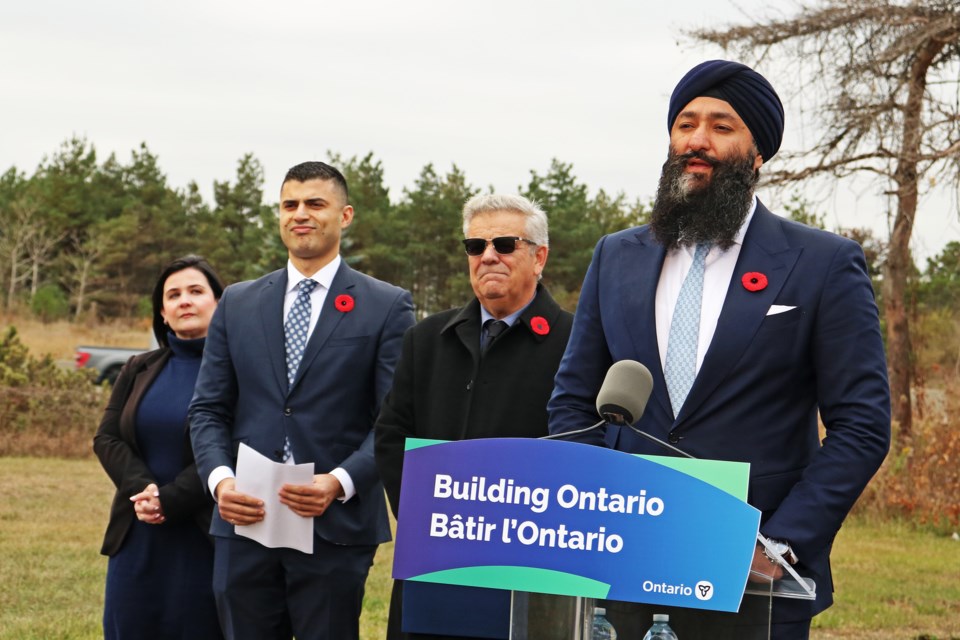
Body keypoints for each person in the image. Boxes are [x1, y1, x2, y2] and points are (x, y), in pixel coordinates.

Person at [547, 60, 891, 639]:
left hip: (753, 583)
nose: (697, 141)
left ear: (758, 153)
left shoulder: (821, 263)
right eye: (685, 124)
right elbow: (573, 402)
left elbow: (861, 425)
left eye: (721, 126)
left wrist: (779, 545)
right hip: (621, 569)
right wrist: (586, 518)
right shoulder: (617, 256)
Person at [188, 161, 414, 640]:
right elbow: (208, 409)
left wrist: (338, 481)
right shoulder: (238, 302)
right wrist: (221, 483)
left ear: (345, 215)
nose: (300, 214)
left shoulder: (387, 305)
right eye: (290, 204)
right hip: (245, 522)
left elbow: (392, 421)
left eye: (315, 203)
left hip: (334, 526)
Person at [375, 193, 574, 640]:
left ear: (539, 257)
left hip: (530, 566)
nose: (487, 256)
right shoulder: (425, 339)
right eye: (474, 246)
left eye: (505, 244)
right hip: (434, 560)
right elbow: (391, 434)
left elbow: (587, 449)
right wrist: (427, 515)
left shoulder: (576, 344)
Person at [94, 255, 225, 640]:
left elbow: (233, 448)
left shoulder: (238, 374)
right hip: (136, 534)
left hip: (203, 538)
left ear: (219, 304)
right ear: (163, 313)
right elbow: (107, 437)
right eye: (173, 295)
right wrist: (145, 490)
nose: (184, 300)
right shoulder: (138, 367)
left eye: (196, 291)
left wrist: (171, 499)